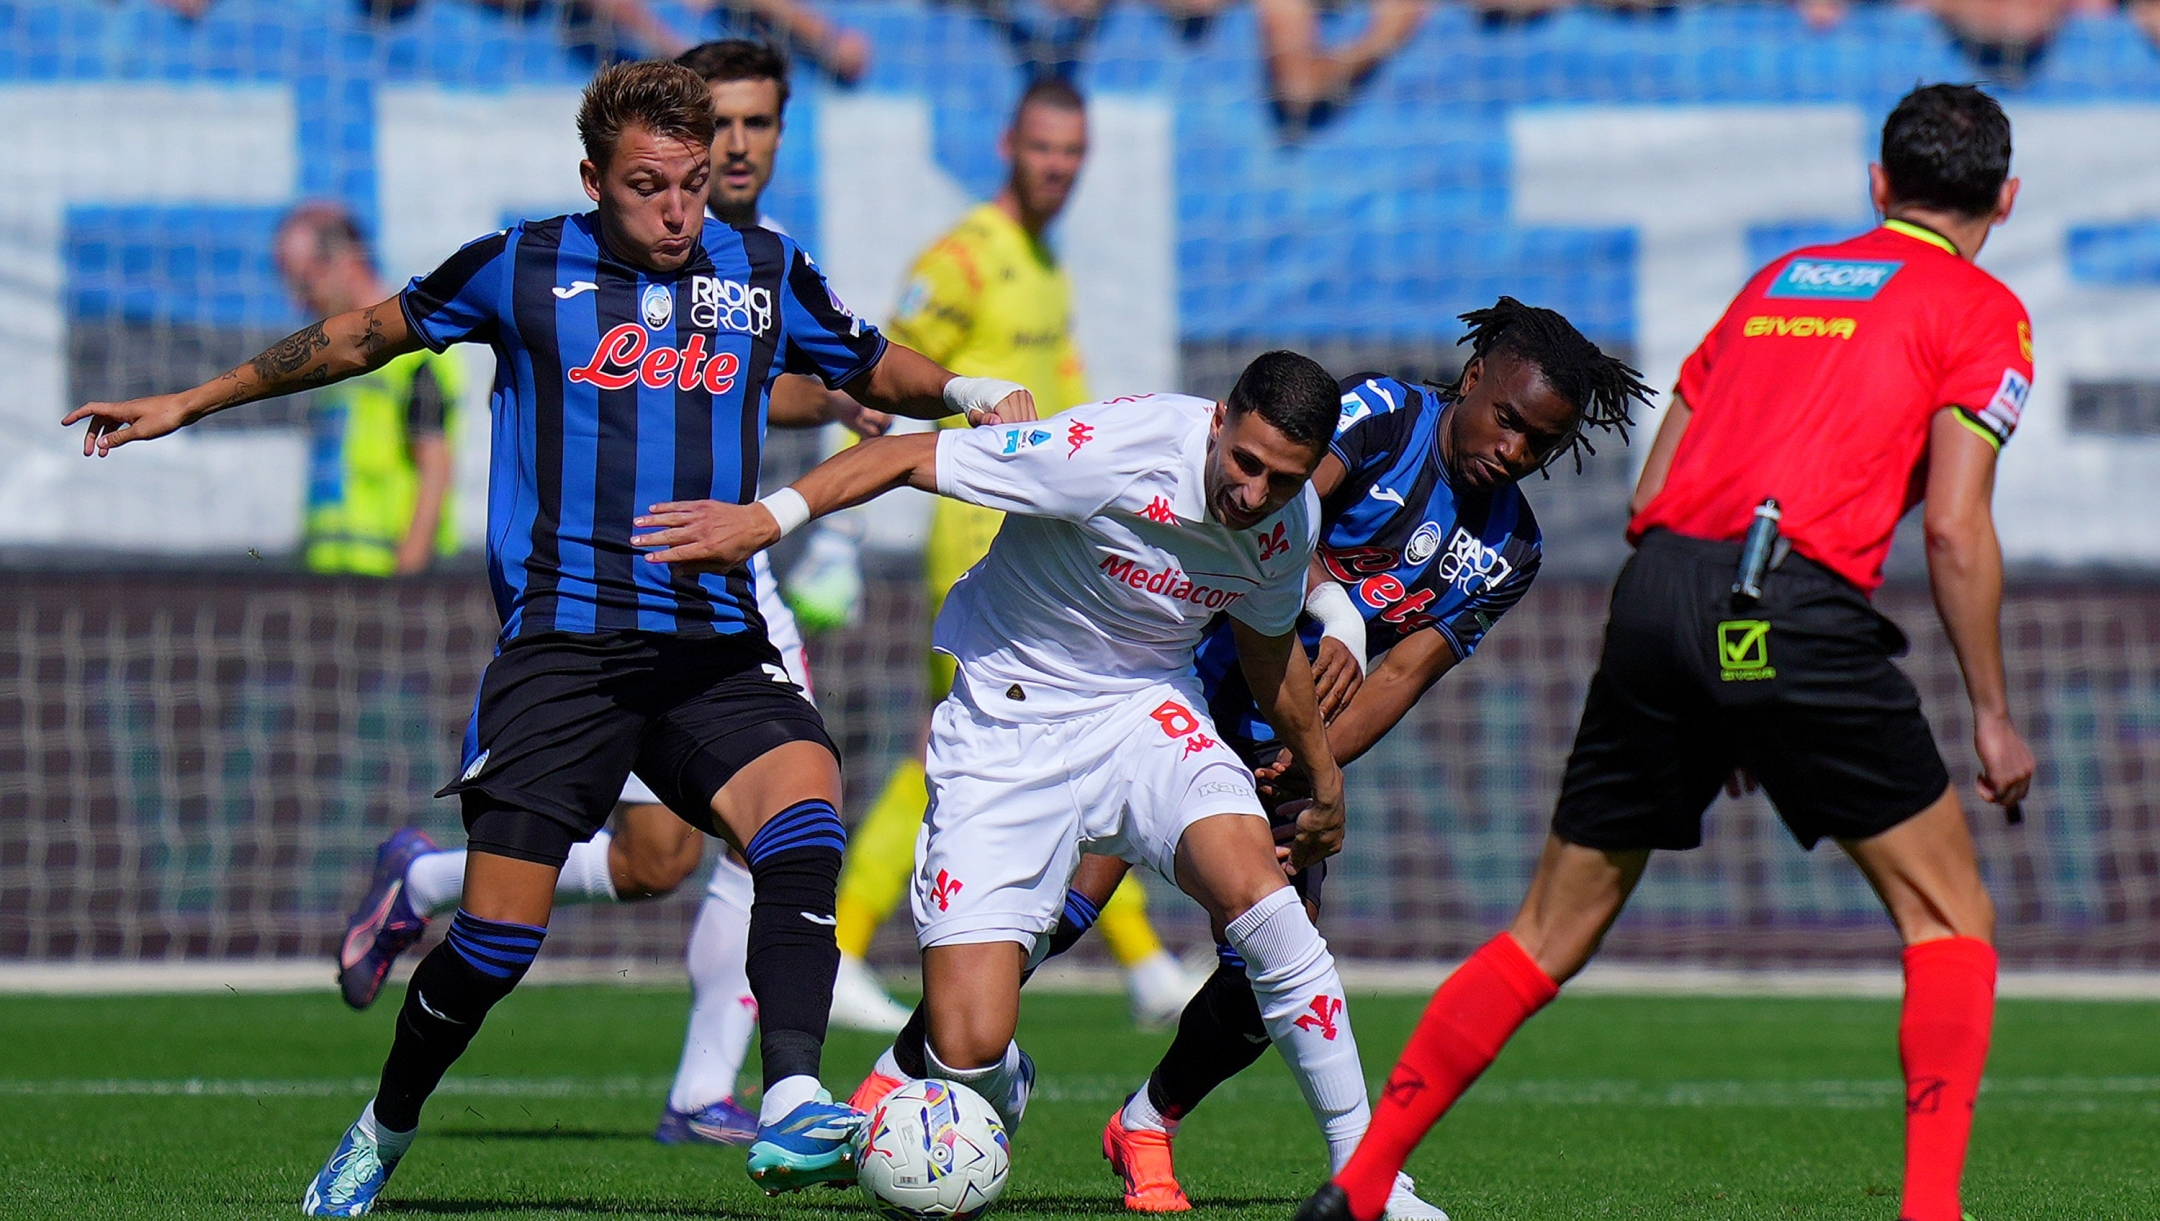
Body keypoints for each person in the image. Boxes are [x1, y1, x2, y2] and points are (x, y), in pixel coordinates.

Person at [66, 59, 1033, 1216]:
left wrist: (968, 387)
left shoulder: (759, 271)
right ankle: (383, 1127)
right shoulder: (519, 266)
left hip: (711, 638)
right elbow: (357, 339)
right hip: (562, 652)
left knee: (804, 811)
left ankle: (787, 1104)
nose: (677, 211)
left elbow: (868, 361)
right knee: (496, 944)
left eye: (689, 185)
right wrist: (185, 402)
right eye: (646, 188)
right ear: (593, 180)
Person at [1298, 83, 2038, 1221]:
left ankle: (1358, 1185)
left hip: (1662, 600)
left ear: (1879, 185)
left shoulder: (1779, 284)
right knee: (1950, 919)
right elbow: (1952, 524)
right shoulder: (1984, 310)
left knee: (1547, 932)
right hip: (1789, 600)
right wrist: (1991, 710)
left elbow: (1652, 493)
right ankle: (1932, 1214)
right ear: (2006, 197)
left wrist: (1717, 691)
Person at [845, 300, 1644, 1221]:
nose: (1513, 449)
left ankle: (1147, 1122)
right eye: (1508, 419)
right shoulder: (1382, 416)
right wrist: (1334, 609)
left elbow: (1403, 675)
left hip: (1283, 740)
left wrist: (1308, 772)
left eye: (1539, 443)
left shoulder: (1511, 549)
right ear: (1473, 380)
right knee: (1048, 921)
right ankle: (889, 1092)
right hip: (1169, 689)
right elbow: (1272, 519)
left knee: (1272, 970)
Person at [634, 352, 1383, 1205]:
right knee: (966, 1047)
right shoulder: (1109, 450)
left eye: (1281, 479)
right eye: (1245, 464)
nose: (1254, 494)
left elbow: (1266, 650)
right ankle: (991, 1076)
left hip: (1144, 714)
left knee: (1271, 913)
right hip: (1005, 726)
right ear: (1218, 420)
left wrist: (1324, 782)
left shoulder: (1289, 519)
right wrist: (766, 520)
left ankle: (1371, 1179)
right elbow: (904, 457)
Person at [331, 40, 902, 1154]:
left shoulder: (759, 264)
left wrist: (877, 399)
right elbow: (652, 366)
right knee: (614, 883)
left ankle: (747, 1092)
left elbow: (754, 369)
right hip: (577, 622)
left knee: (765, 827)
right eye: (715, 127)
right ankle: (434, 924)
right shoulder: (550, 266)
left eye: (754, 128)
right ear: (605, 173)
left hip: (717, 595)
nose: (732, 149)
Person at [789, 76, 1202, 1030]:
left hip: (1054, 544)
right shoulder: (964, 260)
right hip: (982, 548)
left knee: (1063, 737)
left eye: (1073, 152)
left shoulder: (1040, 259)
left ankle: (1136, 964)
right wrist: (841, 534)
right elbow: (872, 381)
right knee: (968, 743)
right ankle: (845, 937)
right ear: (1009, 144)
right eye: (1043, 148)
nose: (1058, 167)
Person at [273, 203, 460, 578]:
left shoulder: (412, 354)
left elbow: (435, 468)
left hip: (384, 582)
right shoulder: (329, 355)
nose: (297, 301)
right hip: (329, 573)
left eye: (304, 282)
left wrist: (406, 573)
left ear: (343, 261)